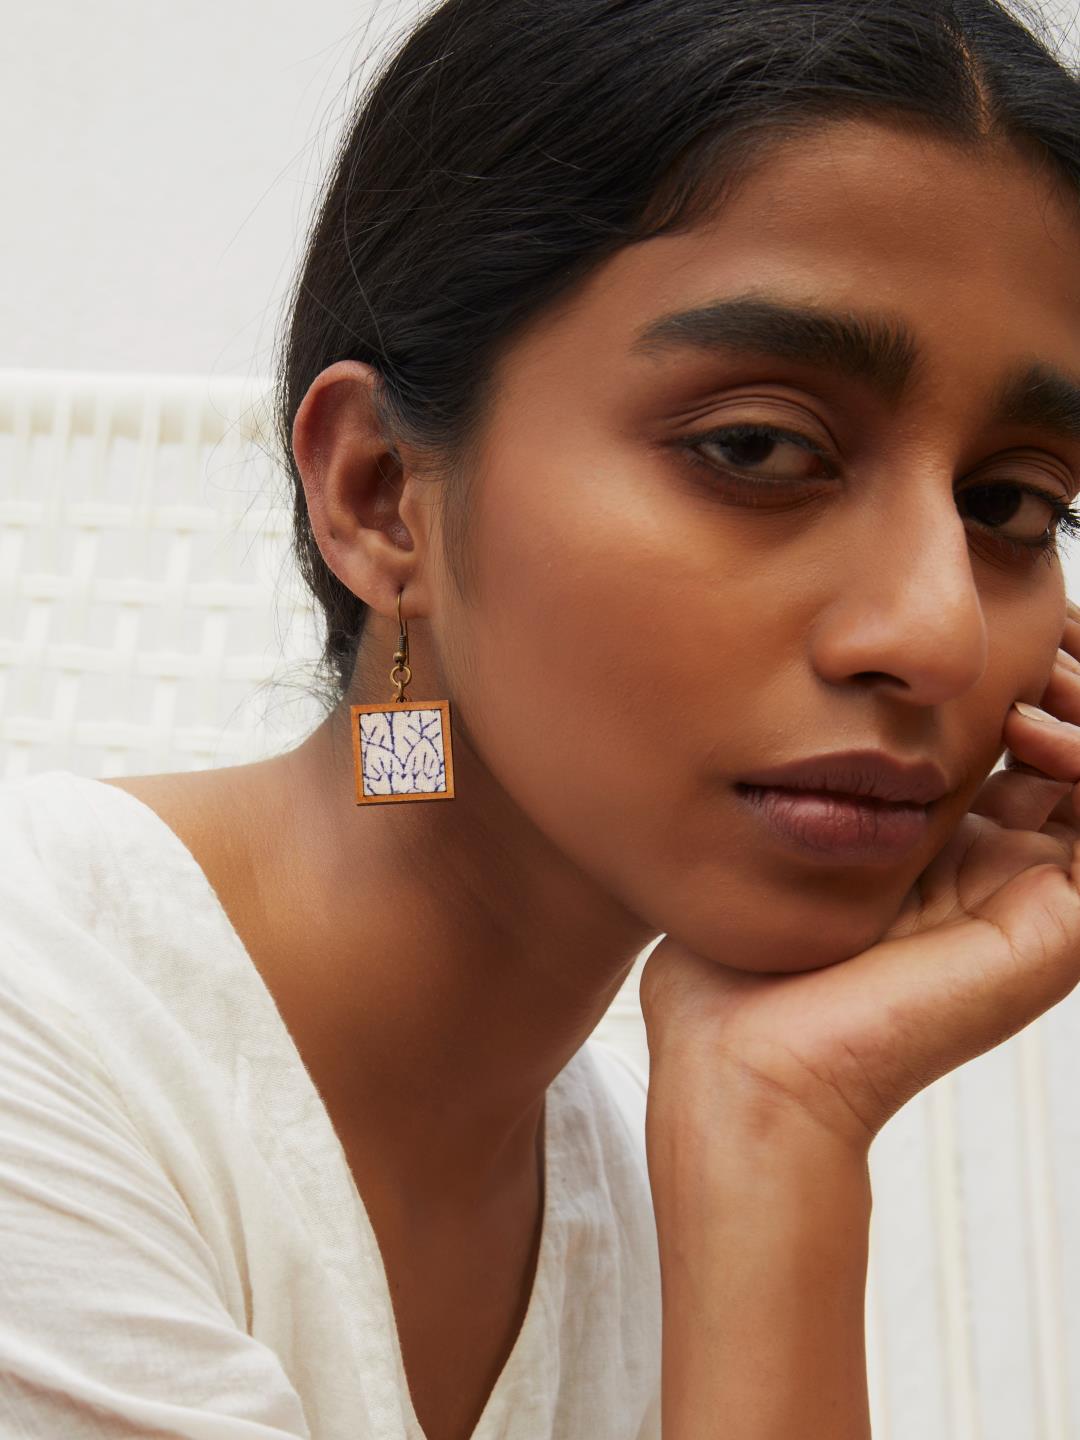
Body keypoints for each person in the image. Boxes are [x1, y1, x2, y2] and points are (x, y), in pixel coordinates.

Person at [4, 0, 1080, 1436]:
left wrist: (780, 1117)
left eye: (1012, 505)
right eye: (758, 447)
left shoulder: (648, 1189)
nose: (939, 634)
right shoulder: (43, 1043)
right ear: (383, 496)